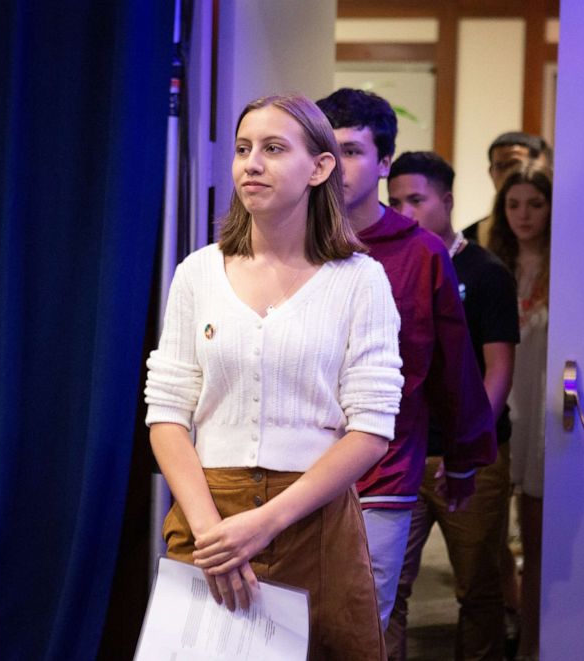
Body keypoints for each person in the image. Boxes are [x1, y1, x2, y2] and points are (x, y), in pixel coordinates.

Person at [144, 93, 404, 660]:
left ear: (320, 167)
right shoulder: (198, 272)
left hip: (312, 516)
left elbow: (372, 427)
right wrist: (212, 529)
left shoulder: (360, 280)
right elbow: (166, 412)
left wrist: (266, 521)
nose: (251, 163)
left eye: (273, 148)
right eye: (242, 149)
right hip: (208, 512)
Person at [316, 88, 496, 632]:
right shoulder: (292, 241)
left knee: (363, 622)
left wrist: (464, 456)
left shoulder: (421, 252)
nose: (335, 165)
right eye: (326, 149)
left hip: (385, 465)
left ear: (384, 163)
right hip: (295, 463)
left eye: (351, 151)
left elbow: (451, 365)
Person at [384, 151, 520, 661]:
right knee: (387, 585)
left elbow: (498, 370)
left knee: (477, 589)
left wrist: (468, 447)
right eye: (395, 201)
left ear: (447, 200)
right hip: (401, 452)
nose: (404, 211)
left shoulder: (485, 272)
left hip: (471, 455)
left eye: (416, 200)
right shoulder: (386, 264)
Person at [487, 163, 553, 661]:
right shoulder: (494, 269)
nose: (524, 214)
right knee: (487, 540)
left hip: (546, 414)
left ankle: (533, 642)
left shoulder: (569, 266)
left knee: (539, 540)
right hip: (501, 410)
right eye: (514, 204)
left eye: (535, 203)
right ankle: (511, 619)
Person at [464, 131, 550, 246]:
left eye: (514, 164)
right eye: (499, 167)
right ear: (491, 173)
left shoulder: (558, 231)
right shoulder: (470, 237)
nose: (507, 174)